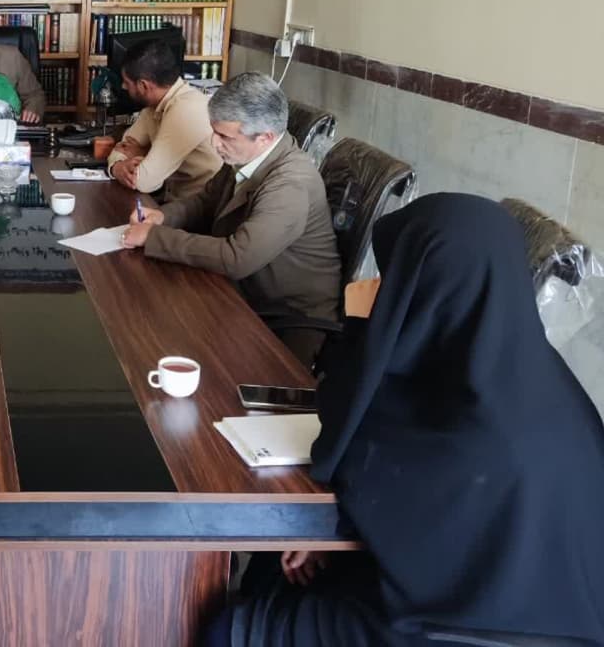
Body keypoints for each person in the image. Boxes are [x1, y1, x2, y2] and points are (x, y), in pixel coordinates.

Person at [207, 195, 604, 647]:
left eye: (396, 276)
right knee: (273, 570)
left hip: (463, 629)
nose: (382, 287)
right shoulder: (533, 378)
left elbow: (344, 440)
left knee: (229, 628)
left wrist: (361, 327)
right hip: (520, 603)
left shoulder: (466, 427)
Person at [121, 72, 340, 337]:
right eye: (214, 131)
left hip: (286, 319)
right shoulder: (247, 155)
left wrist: (154, 237)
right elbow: (206, 202)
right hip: (243, 291)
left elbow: (237, 258)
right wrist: (162, 217)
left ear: (265, 137)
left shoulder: (290, 185)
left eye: (224, 136)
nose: (215, 143)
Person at [105, 38, 221, 199]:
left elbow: (143, 181)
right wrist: (117, 167)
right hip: (169, 201)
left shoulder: (186, 110)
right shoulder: (153, 106)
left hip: (197, 209)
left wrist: (144, 154)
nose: (123, 87)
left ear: (143, 86)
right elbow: (123, 147)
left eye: (126, 82)